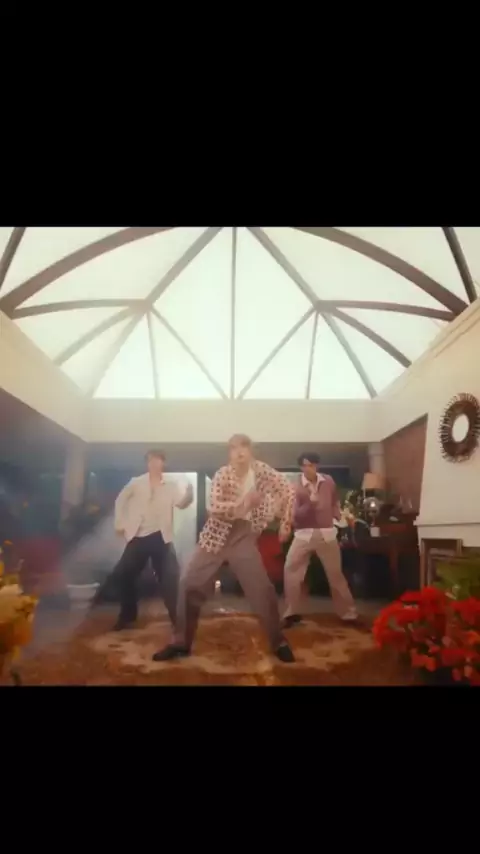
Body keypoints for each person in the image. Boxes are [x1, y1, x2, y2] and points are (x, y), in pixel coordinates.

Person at [153, 434, 297, 663]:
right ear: (229, 454)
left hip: (244, 536)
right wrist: (244, 504)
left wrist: (286, 522)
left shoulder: (262, 471)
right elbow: (214, 508)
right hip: (215, 535)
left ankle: (278, 641)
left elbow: (288, 490)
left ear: (250, 451)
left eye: (244, 447)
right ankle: (180, 642)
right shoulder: (223, 474)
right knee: (188, 583)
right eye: (234, 448)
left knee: (262, 589)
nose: (239, 453)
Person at [111, 449, 193, 631]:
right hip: (138, 536)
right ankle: (127, 616)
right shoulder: (136, 482)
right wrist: (120, 523)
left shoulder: (171, 485)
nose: (154, 464)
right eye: (150, 461)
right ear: (147, 464)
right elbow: (120, 500)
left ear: (163, 463)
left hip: (161, 537)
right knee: (123, 574)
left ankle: (178, 620)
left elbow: (181, 503)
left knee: (170, 579)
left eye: (157, 460)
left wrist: (189, 495)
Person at [282, 452, 358, 628]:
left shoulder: (328, 481)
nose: (309, 468)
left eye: (312, 465)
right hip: (304, 534)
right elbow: (295, 516)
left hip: (327, 534)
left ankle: (348, 613)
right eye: (305, 465)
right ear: (301, 467)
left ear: (317, 465)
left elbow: (334, 502)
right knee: (291, 570)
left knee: (335, 575)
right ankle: (291, 612)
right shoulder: (296, 487)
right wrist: (310, 503)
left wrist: (341, 516)